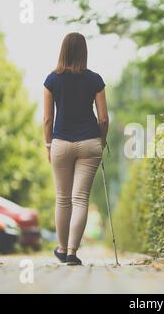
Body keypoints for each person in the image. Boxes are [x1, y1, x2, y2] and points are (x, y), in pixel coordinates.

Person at [43, 32, 109, 265]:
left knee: (62, 199)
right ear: (84, 51)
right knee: (80, 199)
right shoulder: (95, 80)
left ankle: (61, 248)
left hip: (60, 143)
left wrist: (48, 143)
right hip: (90, 142)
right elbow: (103, 119)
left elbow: (47, 120)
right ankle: (72, 252)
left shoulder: (52, 80)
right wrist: (101, 141)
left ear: (63, 50)